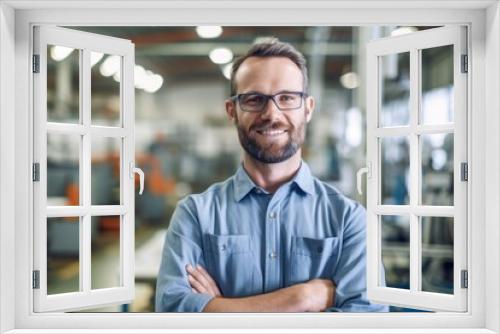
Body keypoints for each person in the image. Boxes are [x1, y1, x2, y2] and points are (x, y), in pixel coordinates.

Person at [155, 38, 388, 312]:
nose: (271, 113)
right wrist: (301, 298)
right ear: (232, 111)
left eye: (287, 98)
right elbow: (173, 312)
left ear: (308, 108)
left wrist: (217, 308)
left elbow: (366, 321)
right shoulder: (195, 215)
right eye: (254, 99)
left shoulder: (348, 220)